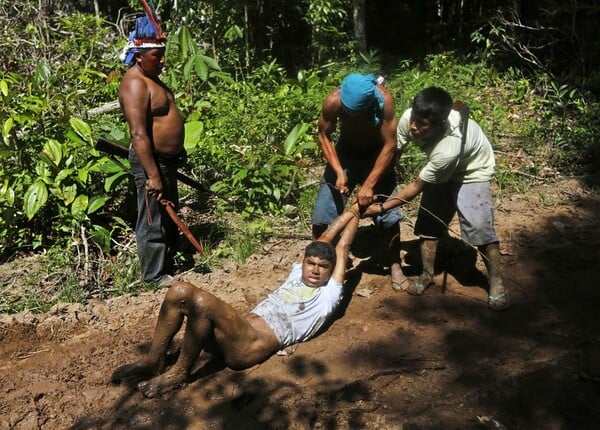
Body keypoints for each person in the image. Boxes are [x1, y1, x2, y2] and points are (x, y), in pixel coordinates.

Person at [111, 208, 360, 398]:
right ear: (304, 262)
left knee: (200, 301)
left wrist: (357, 211)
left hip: (250, 345)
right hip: (232, 333)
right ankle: (154, 360)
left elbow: (342, 244)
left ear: (331, 270)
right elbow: (325, 238)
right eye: (311, 263)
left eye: (323, 267)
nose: (315, 270)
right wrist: (350, 209)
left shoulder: (328, 295)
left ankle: (179, 374)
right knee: (179, 291)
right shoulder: (297, 273)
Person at [364, 86, 510, 310]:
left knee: (480, 229)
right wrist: (373, 182)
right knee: (428, 225)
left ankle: (495, 282)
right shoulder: (409, 118)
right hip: (441, 168)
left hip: (471, 171)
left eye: (422, 125)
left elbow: (415, 188)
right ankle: (427, 274)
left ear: (439, 125)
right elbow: (394, 152)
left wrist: (381, 208)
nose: (414, 126)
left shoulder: (448, 149)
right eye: (415, 119)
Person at [311, 72, 405, 290]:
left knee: (389, 216)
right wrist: (339, 172)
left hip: (377, 153)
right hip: (346, 152)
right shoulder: (333, 101)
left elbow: (390, 144)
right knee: (322, 214)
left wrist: (370, 184)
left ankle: (394, 264)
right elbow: (324, 135)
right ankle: (326, 263)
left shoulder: (384, 101)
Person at [118, 8, 185, 287]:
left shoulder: (151, 78)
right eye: (156, 56)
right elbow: (138, 134)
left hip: (164, 161)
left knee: (168, 212)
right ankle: (154, 276)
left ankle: (168, 263)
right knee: (152, 218)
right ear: (139, 56)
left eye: (162, 54)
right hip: (150, 162)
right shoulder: (134, 84)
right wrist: (152, 175)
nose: (162, 60)